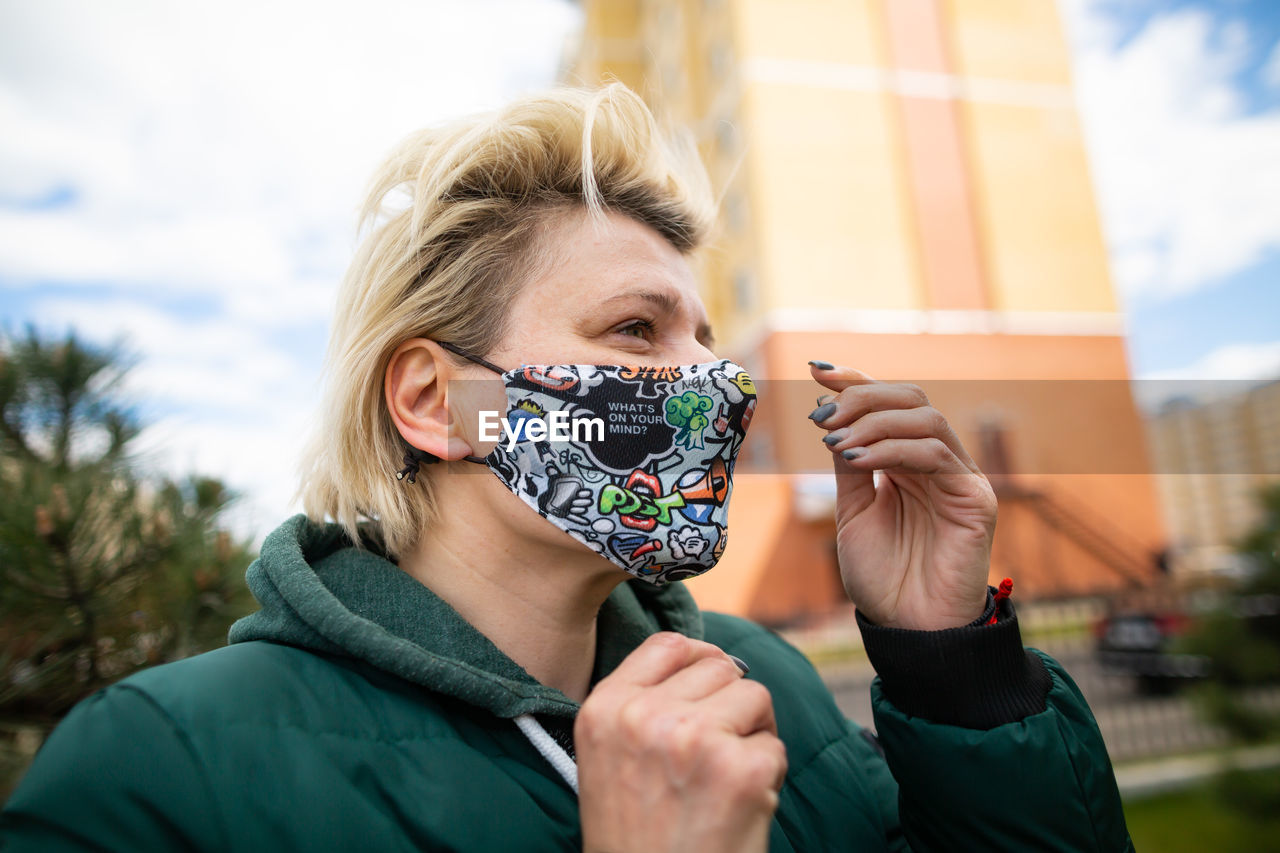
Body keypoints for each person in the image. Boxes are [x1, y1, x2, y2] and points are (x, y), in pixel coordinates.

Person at [0, 83, 1133, 852]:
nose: (718, 388)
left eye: (703, 338)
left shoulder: (754, 677)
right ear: (437, 402)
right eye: (636, 332)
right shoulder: (162, 767)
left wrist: (945, 666)